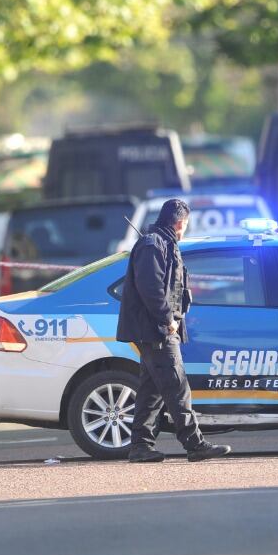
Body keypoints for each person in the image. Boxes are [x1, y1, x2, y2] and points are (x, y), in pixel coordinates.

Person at [115, 198, 230, 464]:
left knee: (152, 390)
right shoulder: (153, 244)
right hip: (156, 330)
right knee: (177, 386)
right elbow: (151, 288)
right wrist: (168, 319)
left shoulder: (164, 243)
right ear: (179, 222)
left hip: (158, 328)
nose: (185, 229)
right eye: (186, 224)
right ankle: (195, 444)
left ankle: (140, 446)